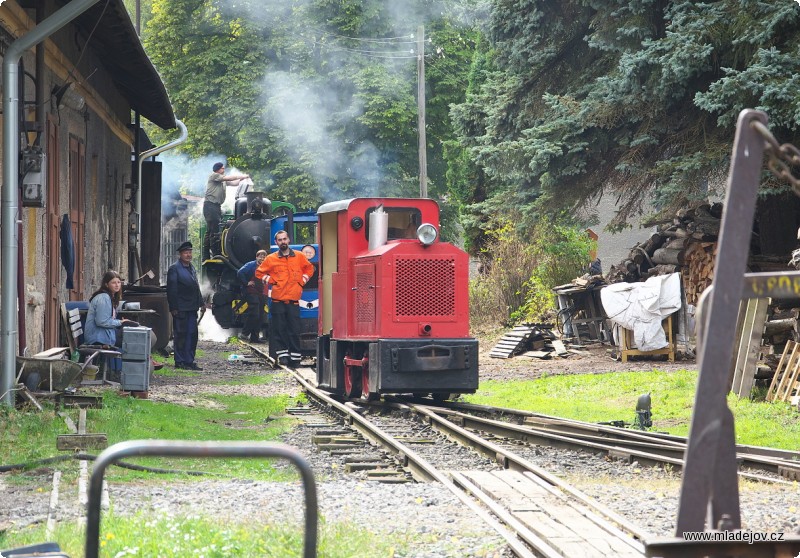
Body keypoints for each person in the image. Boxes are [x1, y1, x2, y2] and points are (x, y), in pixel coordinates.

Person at [255, 230, 314, 368]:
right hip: (278, 300)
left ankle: (295, 358)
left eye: (284, 239)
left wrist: (302, 281)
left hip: (293, 300)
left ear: (288, 240)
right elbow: (259, 272)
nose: (283, 242)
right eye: (280, 240)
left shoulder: (299, 256)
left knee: (294, 329)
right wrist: (271, 280)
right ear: (277, 242)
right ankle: (283, 357)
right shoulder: (271, 258)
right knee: (280, 329)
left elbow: (310, 269)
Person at [167, 241, 205, 370]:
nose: (188, 255)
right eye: (186, 253)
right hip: (181, 308)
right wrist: (173, 307)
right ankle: (180, 361)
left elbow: (196, 287)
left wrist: (201, 303)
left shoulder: (192, 267)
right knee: (181, 334)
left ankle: (189, 360)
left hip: (192, 307)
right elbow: (172, 289)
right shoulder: (174, 269)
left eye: (190, 252)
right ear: (180, 254)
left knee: (192, 334)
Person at [203, 161, 249, 259]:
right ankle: (215, 253)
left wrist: (242, 179)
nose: (224, 170)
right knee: (214, 230)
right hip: (210, 205)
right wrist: (242, 175)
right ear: (218, 169)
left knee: (210, 230)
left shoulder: (222, 180)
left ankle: (206, 255)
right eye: (223, 168)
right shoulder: (214, 176)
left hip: (216, 206)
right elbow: (229, 178)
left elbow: (233, 183)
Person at [84, 270, 137, 347]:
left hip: (104, 335)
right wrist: (120, 322)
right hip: (97, 339)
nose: (117, 285)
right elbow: (101, 321)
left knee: (133, 335)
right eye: (113, 283)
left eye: (118, 282)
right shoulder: (104, 298)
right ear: (106, 284)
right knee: (133, 340)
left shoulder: (109, 297)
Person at [236, 249, 268, 342]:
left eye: (264, 256)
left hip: (261, 292)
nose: (262, 258)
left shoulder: (266, 266)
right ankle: (244, 333)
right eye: (260, 256)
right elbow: (240, 272)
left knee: (261, 315)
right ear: (256, 257)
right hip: (251, 291)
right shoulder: (251, 265)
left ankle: (255, 337)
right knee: (254, 313)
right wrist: (246, 283)